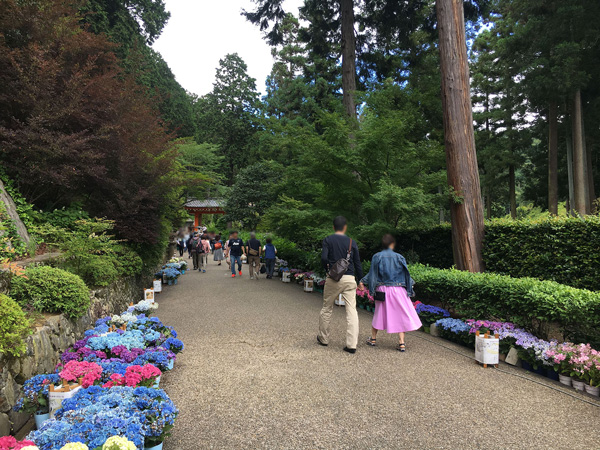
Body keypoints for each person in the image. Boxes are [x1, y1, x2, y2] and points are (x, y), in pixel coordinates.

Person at [359, 234, 422, 352]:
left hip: (382, 290)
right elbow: (406, 274)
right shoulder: (400, 257)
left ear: (383, 245)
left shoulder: (377, 256)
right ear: (392, 244)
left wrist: (362, 282)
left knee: (379, 313)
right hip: (399, 290)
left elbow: (373, 274)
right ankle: (401, 343)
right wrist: (410, 286)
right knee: (401, 314)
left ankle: (373, 339)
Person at [318, 216, 363, 354]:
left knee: (327, 308)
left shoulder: (328, 239)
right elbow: (357, 263)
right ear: (345, 227)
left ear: (333, 227)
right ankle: (351, 345)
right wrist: (360, 280)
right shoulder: (351, 242)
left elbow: (324, 257)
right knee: (351, 311)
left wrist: (328, 269)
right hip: (349, 279)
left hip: (334, 278)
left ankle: (324, 339)